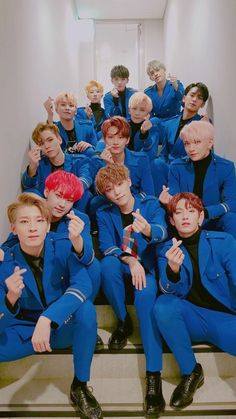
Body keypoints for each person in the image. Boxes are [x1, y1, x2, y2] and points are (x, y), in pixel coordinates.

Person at [0, 193, 102, 418]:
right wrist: (11, 299)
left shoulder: (64, 245)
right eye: (24, 222)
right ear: (14, 229)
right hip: (26, 331)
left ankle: (80, 385)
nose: (33, 228)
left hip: (59, 325)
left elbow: (83, 285)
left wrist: (48, 318)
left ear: (48, 226)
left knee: (86, 310)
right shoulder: (4, 261)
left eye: (39, 221)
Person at [95, 163, 167, 417]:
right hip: (126, 267)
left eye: (119, 184)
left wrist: (146, 229)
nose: (116, 192)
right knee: (107, 266)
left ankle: (153, 376)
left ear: (127, 181)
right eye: (109, 190)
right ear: (105, 195)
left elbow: (161, 230)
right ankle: (124, 322)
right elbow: (106, 246)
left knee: (146, 297)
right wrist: (131, 260)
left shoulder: (149, 205)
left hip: (147, 269)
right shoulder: (105, 213)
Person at [154, 192, 236, 410]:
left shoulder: (224, 241)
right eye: (178, 213)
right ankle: (191, 372)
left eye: (191, 211)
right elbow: (166, 289)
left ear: (200, 217)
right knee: (163, 306)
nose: (185, 217)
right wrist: (172, 269)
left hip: (226, 319)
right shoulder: (167, 250)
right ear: (171, 220)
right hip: (192, 318)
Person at [159, 120, 236, 238]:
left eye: (197, 142)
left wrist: (205, 212)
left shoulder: (226, 167)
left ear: (210, 143)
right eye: (186, 143)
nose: (191, 148)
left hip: (212, 219)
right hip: (184, 220)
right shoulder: (176, 166)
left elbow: (232, 202)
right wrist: (168, 201)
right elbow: (176, 199)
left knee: (231, 218)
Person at [21, 122, 92, 212]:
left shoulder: (79, 160)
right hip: (48, 210)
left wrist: (64, 191)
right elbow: (27, 186)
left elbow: (86, 179)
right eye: (41, 143)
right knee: (30, 192)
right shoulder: (40, 164)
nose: (47, 146)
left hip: (73, 208)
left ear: (59, 139)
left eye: (50, 140)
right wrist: (33, 166)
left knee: (86, 194)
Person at [127, 92, 168, 195]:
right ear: (129, 110)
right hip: (125, 162)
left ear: (147, 114)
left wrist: (144, 134)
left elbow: (149, 155)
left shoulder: (152, 128)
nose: (137, 113)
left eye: (142, 110)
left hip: (142, 163)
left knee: (155, 165)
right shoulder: (123, 125)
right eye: (134, 108)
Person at [159, 82, 209, 163]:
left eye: (199, 97)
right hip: (168, 170)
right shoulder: (170, 123)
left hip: (188, 170)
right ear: (184, 98)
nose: (194, 99)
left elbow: (205, 156)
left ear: (202, 104)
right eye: (192, 95)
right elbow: (163, 154)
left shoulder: (202, 123)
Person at [44, 92, 97, 157]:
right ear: (56, 109)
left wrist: (90, 146)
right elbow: (48, 136)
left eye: (71, 105)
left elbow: (97, 151)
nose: (67, 108)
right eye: (63, 105)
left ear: (75, 111)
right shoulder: (54, 128)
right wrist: (50, 114)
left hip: (84, 164)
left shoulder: (87, 127)